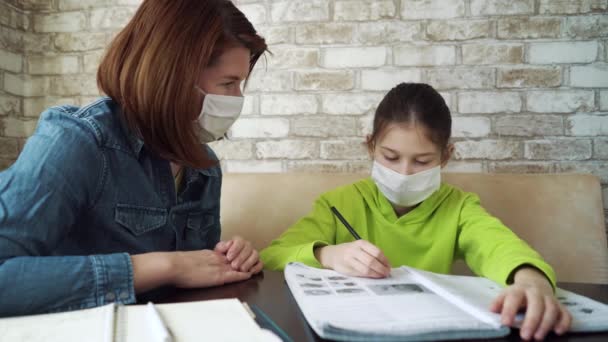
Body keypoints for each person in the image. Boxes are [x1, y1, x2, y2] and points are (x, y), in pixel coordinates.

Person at [0, 0, 267, 317]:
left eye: (241, 84)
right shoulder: (76, 142)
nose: (237, 100)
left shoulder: (205, 168)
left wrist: (229, 259)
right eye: (228, 83)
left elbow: (196, 271)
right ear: (172, 74)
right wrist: (161, 266)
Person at [260, 83, 572, 341]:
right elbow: (274, 256)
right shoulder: (338, 204)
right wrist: (327, 255)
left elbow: (498, 246)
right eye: (390, 156)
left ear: (446, 156)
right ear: (370, 146)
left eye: (422, 161)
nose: (405, 172)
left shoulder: (459, 208)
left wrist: (531, 280)